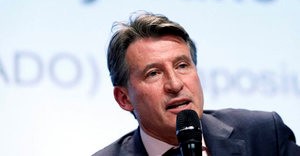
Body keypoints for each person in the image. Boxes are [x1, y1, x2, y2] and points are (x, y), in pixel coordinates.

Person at [93, 11, 300, 156]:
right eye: (154, 73)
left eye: (182, 66)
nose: (175, 84)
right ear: (124, 98)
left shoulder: (263, 135)